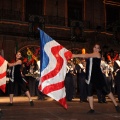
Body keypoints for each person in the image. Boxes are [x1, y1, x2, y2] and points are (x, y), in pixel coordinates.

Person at [72, 44, 120, 113]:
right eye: (95, 47)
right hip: (89, 77)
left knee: (107, 90)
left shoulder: (97, 54)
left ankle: (116, 105)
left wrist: (75, 55)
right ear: (93, 48)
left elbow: (86, 55)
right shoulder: (90, 56)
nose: (96, 49)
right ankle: (92, 109)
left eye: (97, 48)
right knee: (89, 93)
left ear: (99, 50)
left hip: (98, 76)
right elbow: (87, 60)